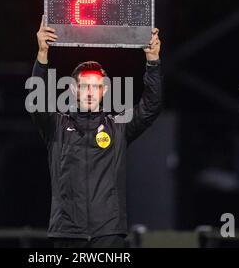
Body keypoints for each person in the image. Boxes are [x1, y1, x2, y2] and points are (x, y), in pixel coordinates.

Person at [29, 15, 162, 248]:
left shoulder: (119, 126)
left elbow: (150, 107)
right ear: (73, 89)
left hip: (108, 233)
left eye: (96, 87)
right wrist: (42, 55)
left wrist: (153, 62)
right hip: (67, 234)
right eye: (84, 86)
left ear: (105, 90)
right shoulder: (57, 127)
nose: (90, 92)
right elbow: (37, 104)